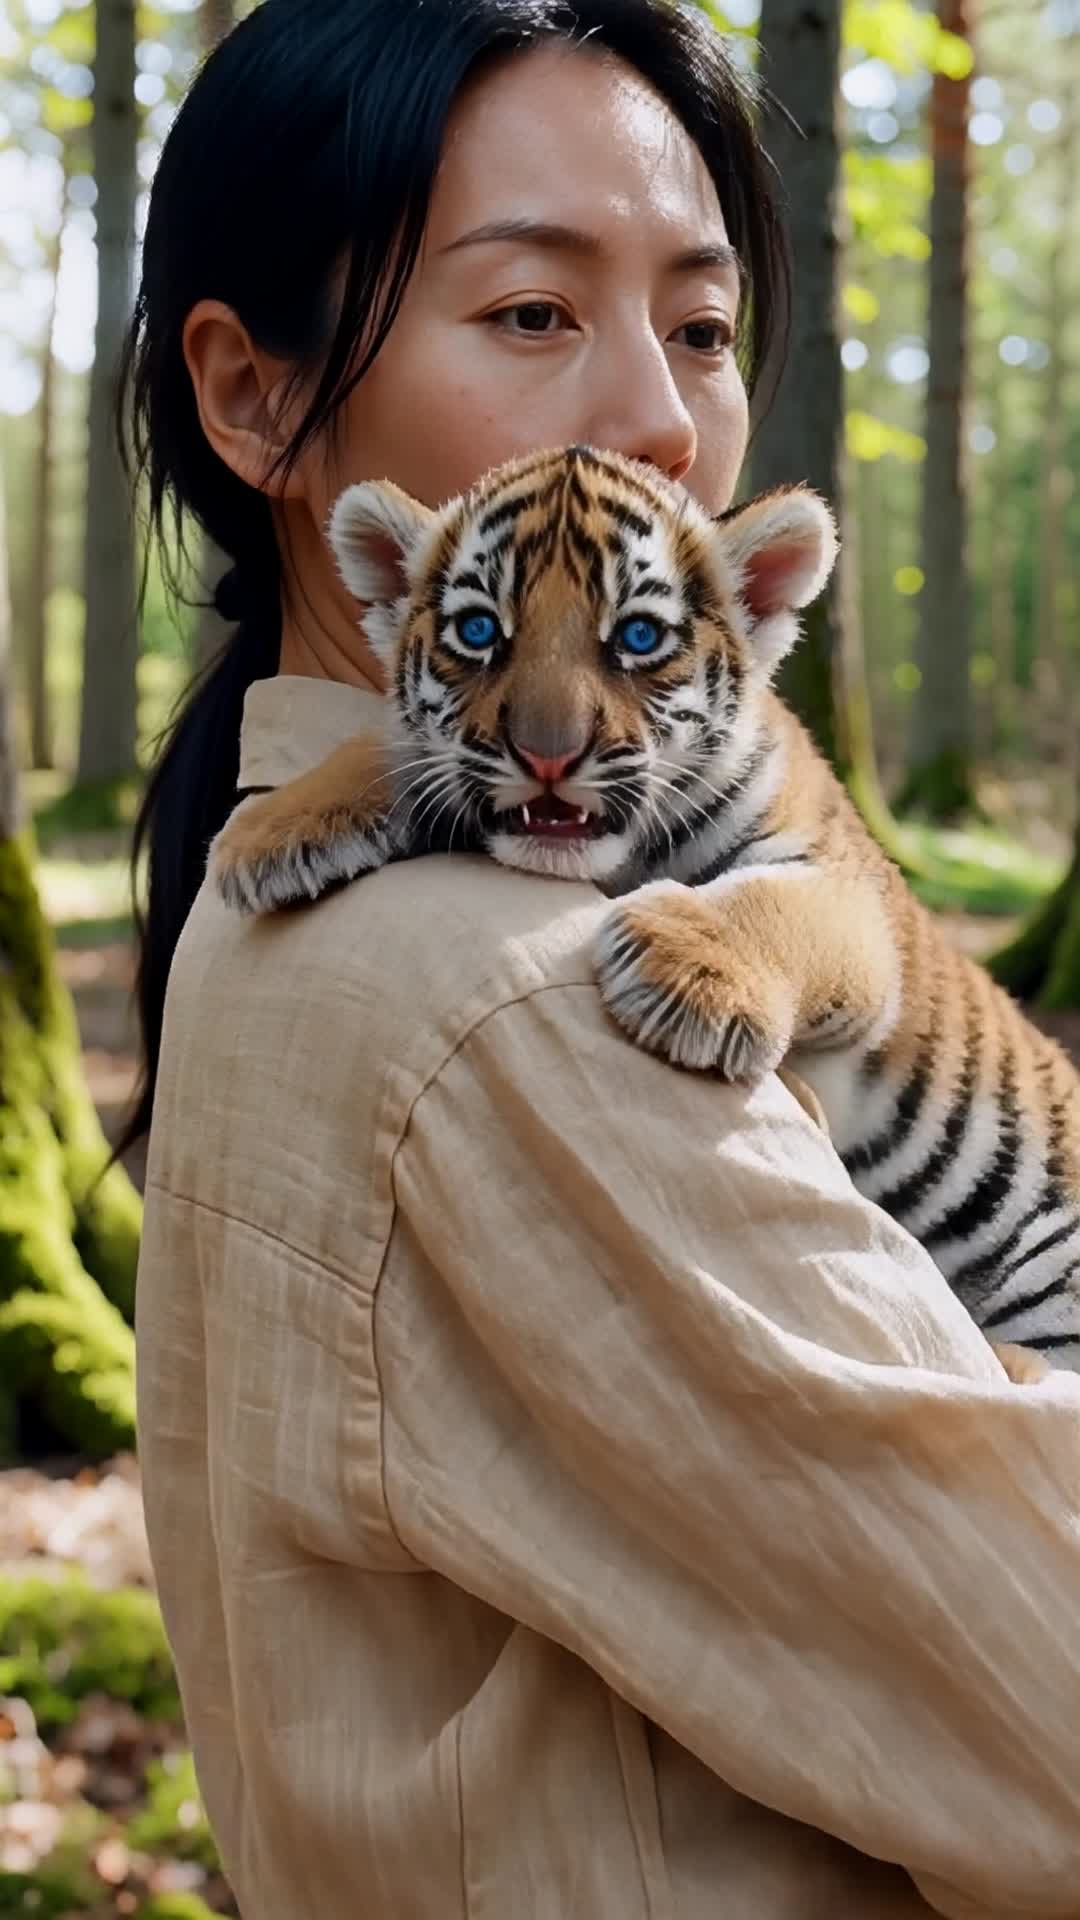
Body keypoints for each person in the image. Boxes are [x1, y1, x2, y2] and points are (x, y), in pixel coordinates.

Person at [128, 3, 1080, 1916]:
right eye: (533, 312)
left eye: (707, 327)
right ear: (252, 398)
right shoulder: (533, 1000)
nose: (661, 416)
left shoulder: (274, 897)